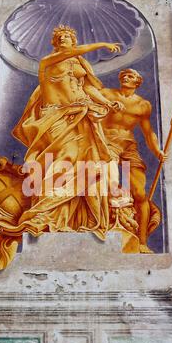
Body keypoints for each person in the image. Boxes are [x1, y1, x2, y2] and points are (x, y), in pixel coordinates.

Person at [11, 26, 138, 250]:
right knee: (62, 161)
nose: (63, 39)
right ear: (55, 42)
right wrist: (102, 45)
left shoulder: (79, 63)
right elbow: (74, 53)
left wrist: (107, 103)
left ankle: (78, 218)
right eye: (59, 37)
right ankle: (44, 213)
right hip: (56, 116)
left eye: (68, 37)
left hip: (84, 115)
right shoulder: (48, 62)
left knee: (88, 165)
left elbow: (87, 88)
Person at [101, 69, 168, 253]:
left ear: (138, 82)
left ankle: (142, 242)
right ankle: (107, 231)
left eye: (130, 76)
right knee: (110, 187)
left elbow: (148, 133)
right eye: (123, 75)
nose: (125, 77)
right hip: (106, 145)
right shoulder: (107, 93)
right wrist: (106, 104)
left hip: (128, 147)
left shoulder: (143, 105)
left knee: (139, 193)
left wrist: (157, 151)